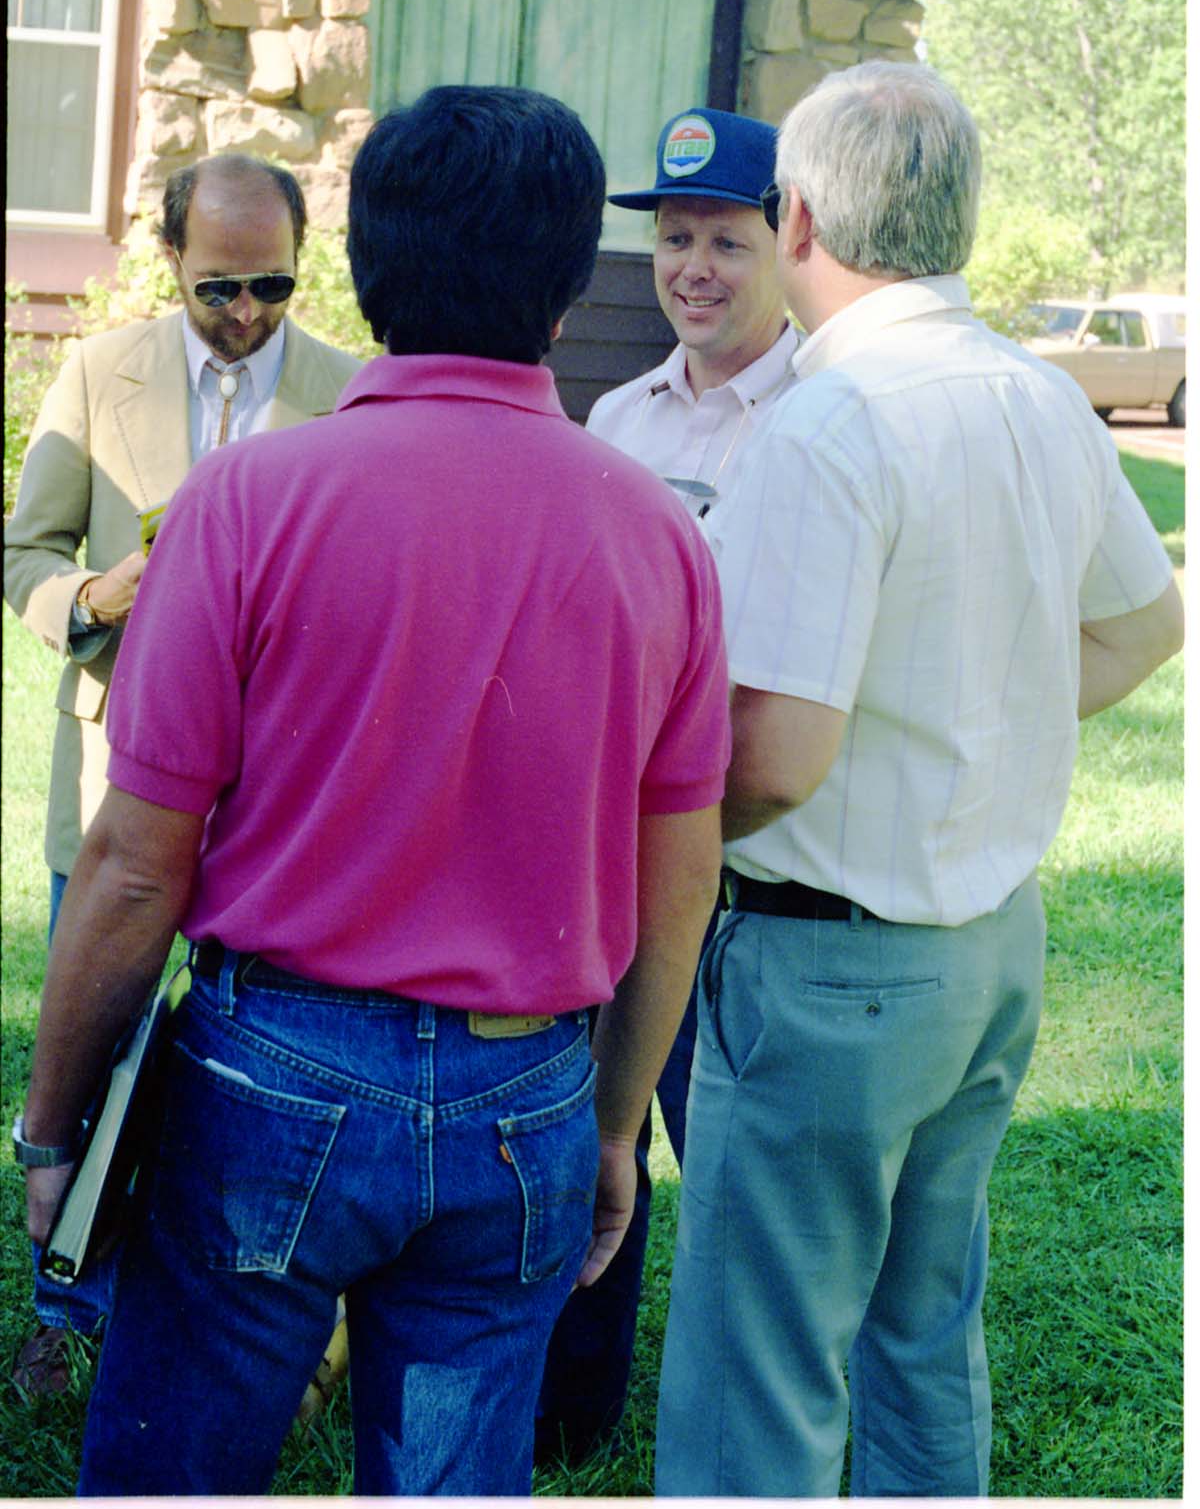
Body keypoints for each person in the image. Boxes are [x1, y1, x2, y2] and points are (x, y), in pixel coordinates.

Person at [16, 85, 731, 1497]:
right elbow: (680, 870)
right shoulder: (658, 529)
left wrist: (55, 1127)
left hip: (267, 1072)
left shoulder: (246, 502)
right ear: (567, 282)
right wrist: (614, 1123)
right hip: (529, 1082)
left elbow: (135, 864)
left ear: (365, 266)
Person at [655, 61, 1184, 1497]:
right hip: (992, 951)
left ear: (801, 219)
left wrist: (641, 848)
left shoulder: (829, 423)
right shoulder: (1040, 392)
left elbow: (774, 757)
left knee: (753, 1391)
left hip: (830, 970)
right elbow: (1147, 622)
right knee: (923, 1337)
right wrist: (975, 719)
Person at [4, 153, 361, 1393]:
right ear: (171, 260)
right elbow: (25, 552)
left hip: (280, 801)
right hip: (121, 783)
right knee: (91, 1041)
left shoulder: (350, 392)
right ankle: (62, 1305)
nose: (249, 312)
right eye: (220, 287)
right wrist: (100, 593)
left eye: (273, 284)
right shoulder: (102, 374)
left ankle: (281, 1331)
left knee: (252, 1066)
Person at [536, 106, 796, 1462]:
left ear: (784, 243)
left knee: (737, 1165)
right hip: (616, 852)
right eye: (674, 238)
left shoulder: (822, 418)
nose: (694, 266)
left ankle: (754, 1413)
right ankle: (573, 1415)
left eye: (726, 241)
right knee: (598, 1120)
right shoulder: (614, 418)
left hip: (750, 857)